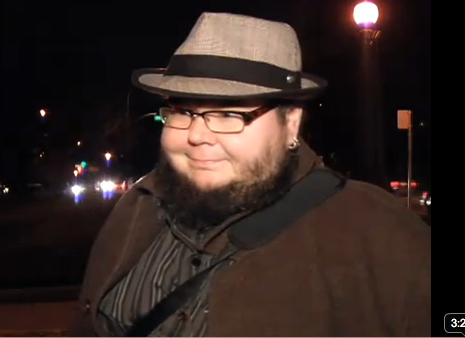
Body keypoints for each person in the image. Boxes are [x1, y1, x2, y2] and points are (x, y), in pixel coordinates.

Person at [68, 12, 430, 336]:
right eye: (182, 112)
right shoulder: (135, 209)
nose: (196, 135)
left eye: (229, 114)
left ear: (291, 123)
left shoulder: (381, 234)